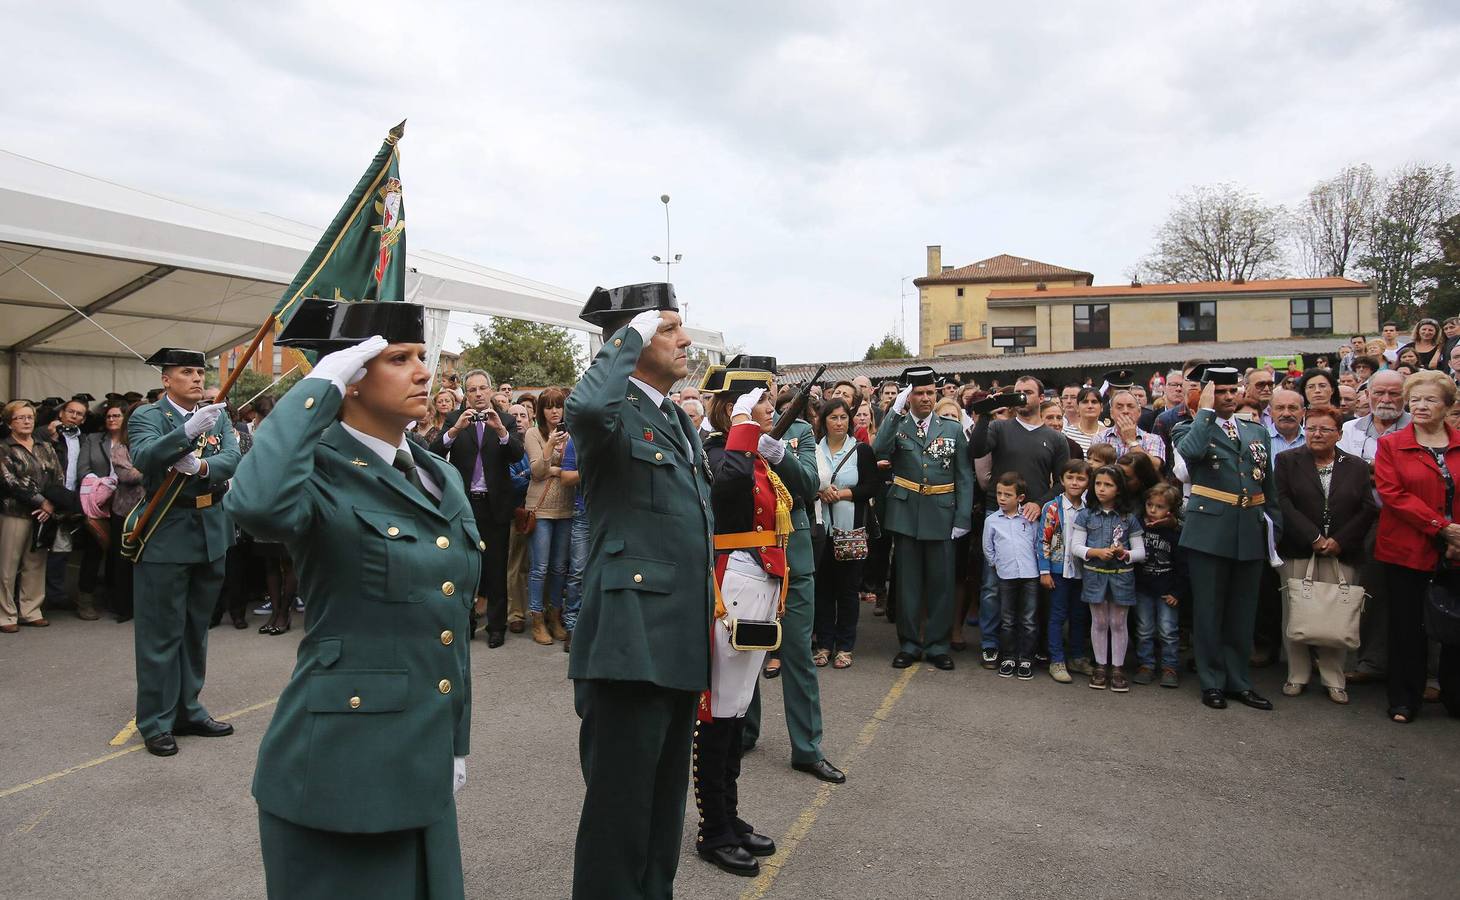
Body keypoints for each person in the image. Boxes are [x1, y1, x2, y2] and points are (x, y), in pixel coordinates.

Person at [227, 302, 477, 899]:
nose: (424, 372)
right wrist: (318, 385)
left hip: (422, 753)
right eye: (398, 359)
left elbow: (445, 628)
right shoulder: (313, 471)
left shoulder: (440, 475)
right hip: (341, 767)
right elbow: (255, 504)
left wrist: (455, 740)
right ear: (352, 378)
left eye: (422, 357)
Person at [566, 283, 714, 899]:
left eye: (681, 325)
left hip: (678, 638)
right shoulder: (612, 410)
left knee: (662, 810)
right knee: (620, 815)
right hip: (629, 643)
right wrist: (629, 332)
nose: (685, 339)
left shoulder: (674, 417)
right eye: (667, 328)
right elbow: (585, 410)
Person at [694, 375, 790, 877]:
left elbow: (798, 488)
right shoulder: (717, 451)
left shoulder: (754, 455)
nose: (770, 410)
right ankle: (714, 829)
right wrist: (741, 427)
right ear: (733, 409)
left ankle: (729, 815)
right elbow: (725, 486)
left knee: (740, 705)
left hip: (762, 581)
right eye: (761, 404)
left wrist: (765, 445)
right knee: (720, 711)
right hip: (731, 583)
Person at [126, 347, 241, 756]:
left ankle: (188, 708)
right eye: (186, 372)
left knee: (195, 630)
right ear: (166, 379)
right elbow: (143, 456)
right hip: (166, 531)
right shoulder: (148, 416)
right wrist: (186, 434)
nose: (196, 378)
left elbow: (233, 457)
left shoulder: (218, 414)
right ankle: (156, 720)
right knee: (161, 634)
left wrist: (204, 468)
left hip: (211, 530)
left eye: (199, 371)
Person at [1173, 366, 1282, 711]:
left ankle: (1239, 681)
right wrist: (1205, 411)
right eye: (1220, 391)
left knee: (1242, 612)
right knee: (1209, 611)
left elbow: (1268, 485)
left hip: (1249, 528)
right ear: (1207, 394)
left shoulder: (1255, 431)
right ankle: (1212, 681)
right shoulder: (1189, 428)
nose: (1229, 397)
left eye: (1233, 390)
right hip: (1210, 532)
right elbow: (1190, 455)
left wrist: (1273, 527)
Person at [1372, 370, 1460, 723]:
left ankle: (1455, 697)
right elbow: (1393, 495)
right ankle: (1405, 699)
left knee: (1455, 627)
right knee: (1407, 627)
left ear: (1449, 406)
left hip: (1457, 549)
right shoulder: (1391, 445)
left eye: (1430, 400)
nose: (1421, 406)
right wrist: (1442, 529)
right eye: (1416, 400)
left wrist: (1457, 538)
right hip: (1407, 547)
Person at [1275, 404, 1377, 705]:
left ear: (1339, 434)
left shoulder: (1356, 466)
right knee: (1295, 613)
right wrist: (1314, 537)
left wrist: (1339, 541)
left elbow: (1368, 508)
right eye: (1312, 428)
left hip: (1341, 553)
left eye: (1325, 429)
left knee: (1337, 613)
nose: (1317, 434)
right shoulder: (1287, 460)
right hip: (1299, 550)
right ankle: (1297, 674)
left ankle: (1334, 678)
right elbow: (1282, 502)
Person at [875, 366, 974, 671]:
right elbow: (879, 449)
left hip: (941, 513)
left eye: (930, 392)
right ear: (910, 396)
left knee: (941, 584)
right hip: (906, 513)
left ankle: (937, 645)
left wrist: (962, 517)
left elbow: (964, 477)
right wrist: (894, 411)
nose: (926, 398)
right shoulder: (899, 425)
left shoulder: (953, 429)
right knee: (908, 586)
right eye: (919, 393)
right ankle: (909, 644)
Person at [969, 377, 1069, 668]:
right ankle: (990, 642)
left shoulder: (1055, 438)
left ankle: (1030, 646)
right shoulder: (999, 427)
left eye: (1028, 392)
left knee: (1031, 585)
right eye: (1018, 393)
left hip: (1032, 519)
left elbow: (1063, 482)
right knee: (992, 583)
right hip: (997, 514)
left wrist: (1040, 503)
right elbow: (975, 450)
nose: (1023, 397)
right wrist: (987, 413)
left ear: (1041, 398)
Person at [431, 368, 525, 648]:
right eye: (472, 389)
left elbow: (517, 455)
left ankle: (497, 627)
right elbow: (434, 453)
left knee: (496, 569)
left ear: (491, 389)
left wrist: (500, 430)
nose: (478, 393)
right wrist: (455, 429)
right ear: (467, 394)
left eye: (483, 388)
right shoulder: (454, 419)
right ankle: (466, 624)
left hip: (495, 505)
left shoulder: (505, 419)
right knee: (464, 569)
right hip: (465, 505)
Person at [812, 398, 878, 669]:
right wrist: (819, 491)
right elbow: (804, 480)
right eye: (833, 418)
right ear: (824, 421)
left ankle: (845, 646)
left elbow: (872, 486)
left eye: (843, 418)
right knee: (823, 589)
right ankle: (825, 644)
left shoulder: (860, 450)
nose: (839, 423)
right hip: (820, 530)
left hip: (850, 530)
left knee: (848, 590)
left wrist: (841, 494)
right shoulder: (814, 450)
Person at [1071, 465, 1146, 692]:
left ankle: (1118, 668)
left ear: (1119, 489)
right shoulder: (1085, 515)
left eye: (1108, 485)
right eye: (1098, 484)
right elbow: (1075, 546)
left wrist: (1126, 554)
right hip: (1095, 575)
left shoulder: (1128, 518)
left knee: (1118, 623)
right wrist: (1094, 552)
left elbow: (1141, 552)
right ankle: (1101, 665)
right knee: (1100, 622)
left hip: (1121, 576)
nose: (1102, 489)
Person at [1, 401, 64, 632]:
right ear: (10, 423)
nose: (27, 421)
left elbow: (58, 476)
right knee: (7, 566)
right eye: (20, 418)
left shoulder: (44, 446)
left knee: (36, 562)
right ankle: (6, 614)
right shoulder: (4, 448)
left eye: (30, 417)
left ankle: (31, 610)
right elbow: (10, 482)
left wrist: (51, 504)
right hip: (14, 512)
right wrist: (42, 501)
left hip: (43, 514)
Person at [524, 388, 575, 646]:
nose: (555, 411)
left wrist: (557, 466)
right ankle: (537, 620)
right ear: (541, 411)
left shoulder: (572, 433)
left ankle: (555, 617)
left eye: (559, 406)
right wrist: (550, 445)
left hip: (566, 508)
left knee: (559, 568)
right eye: (549, 407)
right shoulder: (533, 433)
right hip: (541, 509)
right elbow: (537, 471)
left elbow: (573, 468)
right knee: (540, 568)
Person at [1038, 459, 1092, 683]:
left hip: (1083, 572)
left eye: (1080, 478)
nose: (1075, 482)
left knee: (1079, 615)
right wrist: (1045, 570)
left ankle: (1077, 657)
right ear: (1061, 480)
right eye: (1070, 477)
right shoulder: (1052, 507)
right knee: (1057, 615)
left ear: (1088, 482)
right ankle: (1057, 659)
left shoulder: (1089, 509)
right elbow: (1044, 539)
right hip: (1059, 571)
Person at [984, 472, 1041, 680]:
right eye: (999, 493)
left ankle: (1026, 658)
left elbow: (1036, 543)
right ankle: (1008, 657)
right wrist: (997, 564)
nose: (1001, 498)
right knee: (1007, 619)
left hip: (1030, 574)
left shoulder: (1029, 519)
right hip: (1006, 575)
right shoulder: (992, 521)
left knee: (1029, 619)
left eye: (1007, 494)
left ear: (1020, 498)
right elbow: (987, 548)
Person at [74, 400, 126, 620]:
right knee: (94, 550)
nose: (112, 419)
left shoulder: (131, 440)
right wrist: (106, 484)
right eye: (109, 416)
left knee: (118, 552)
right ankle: (85, 599)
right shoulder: (93, 440)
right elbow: (83, 469)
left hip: (123, 502)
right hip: (96, 501)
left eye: (116, 416)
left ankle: (115, 598)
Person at [109, 404, 144, 623]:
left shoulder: (156, 441)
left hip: (153, 510)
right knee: (124, 560)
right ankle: (124, 607)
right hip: (126, 511)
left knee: (149, 561)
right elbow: (128, 475)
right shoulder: (120, 447)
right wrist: (156, 463)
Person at [1095, 389, 1165, 464]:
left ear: (1139, 412)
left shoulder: (1153, 439)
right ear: (1111, 413)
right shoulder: (1100, 438)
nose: (1125, 411)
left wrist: (1132, 442)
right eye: (1119, 407)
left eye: (1130, 406)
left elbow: (1156, 466)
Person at [1063, 387, 1105, 456]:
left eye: (1094, 402)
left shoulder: (1109, 435)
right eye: (1085, 402)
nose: (1090, 406)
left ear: (1101, 407)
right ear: (1077, 407)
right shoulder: (1066, 433)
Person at [1268, 388, 1307, 453]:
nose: (1286, 414)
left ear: (1303, 412)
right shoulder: (1260, 440)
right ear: (1270, 412)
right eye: (1280, 408)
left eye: (1292, 408)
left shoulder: (1313, 440)